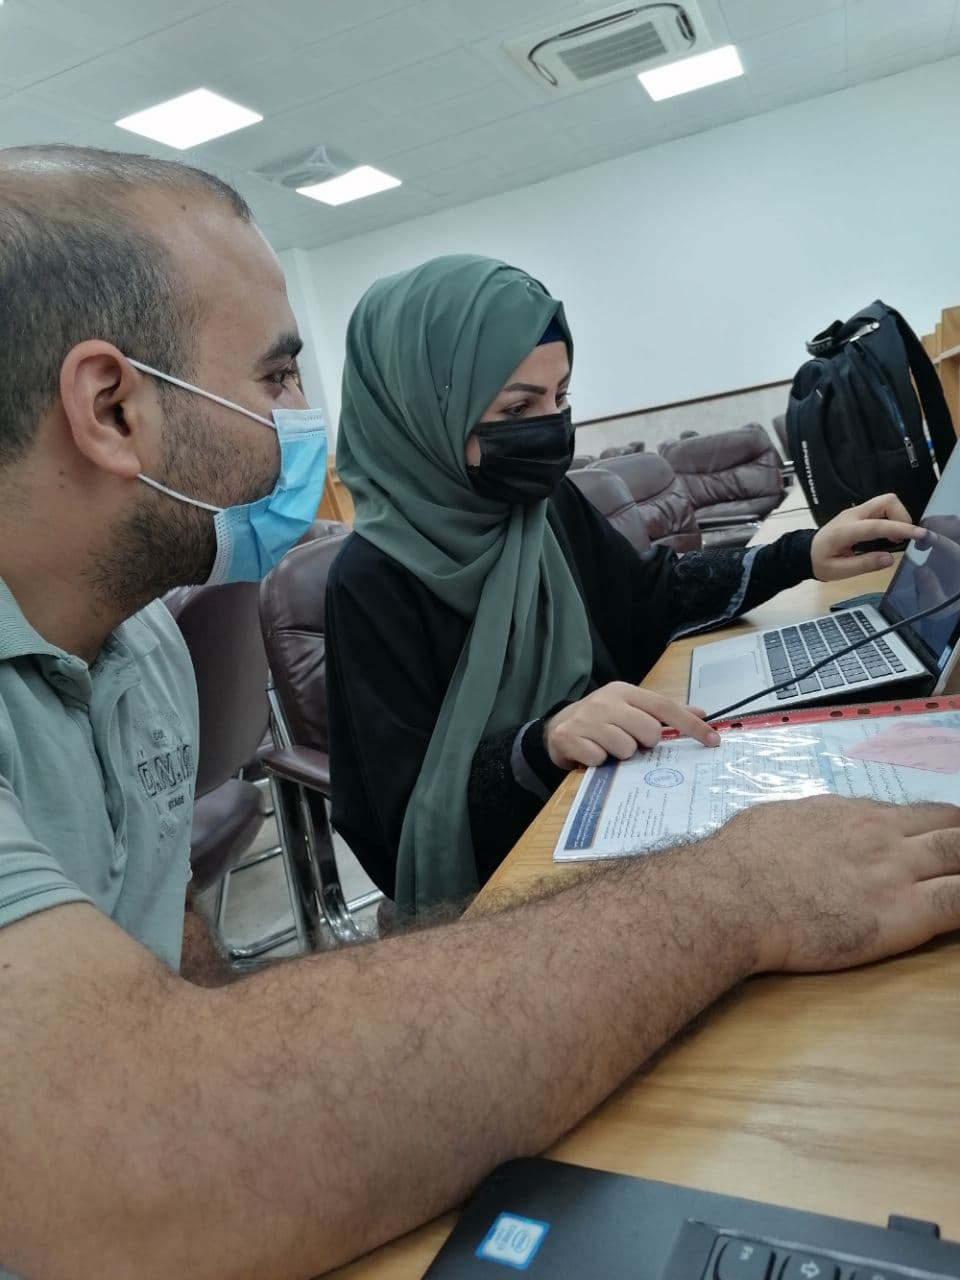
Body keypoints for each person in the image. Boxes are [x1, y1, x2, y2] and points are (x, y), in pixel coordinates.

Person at [1, 146, 959, 1280]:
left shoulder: (140, 645)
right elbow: (131, 1160)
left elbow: (164, 955)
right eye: (279, 376)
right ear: (112, 407)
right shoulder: (363, 584)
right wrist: (737, 887)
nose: (309, 421)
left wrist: (798, 556)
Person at [326, 255, 925, 913]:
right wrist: (542, 743)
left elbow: (648, 597)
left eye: (561, 398)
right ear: (422, 412)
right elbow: (399, 825)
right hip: (512, 885)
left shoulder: (544, 509)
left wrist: (800, 555)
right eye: (519, 406)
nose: (552, 426)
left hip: (630, 806)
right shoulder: (369, 581)